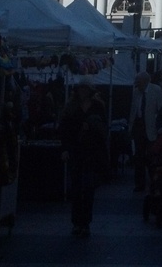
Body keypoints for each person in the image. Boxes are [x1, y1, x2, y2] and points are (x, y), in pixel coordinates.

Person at [59, 82, 109, 237]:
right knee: (76, 188)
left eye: (85, 88)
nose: (82, 91)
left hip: (91, 152)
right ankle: (76, 222)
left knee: (88, 188)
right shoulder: (71, 107)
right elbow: (65, 130)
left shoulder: (97, 106)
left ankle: (85, 222)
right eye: (80, 88)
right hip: (76, 150)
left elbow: (103, 129)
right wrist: (65, 148)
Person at [129, 71, 162, 192]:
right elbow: (133, 111)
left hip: (151, 128)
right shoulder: (136, 92)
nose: (136, 84)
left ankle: (154, 182)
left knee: (151, 157)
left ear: (145, 81)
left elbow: (161, 110)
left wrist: (160, 127)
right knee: (138, 157)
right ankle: (139, 184)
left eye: (138, 81)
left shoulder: (156, 90)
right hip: (138, 127)